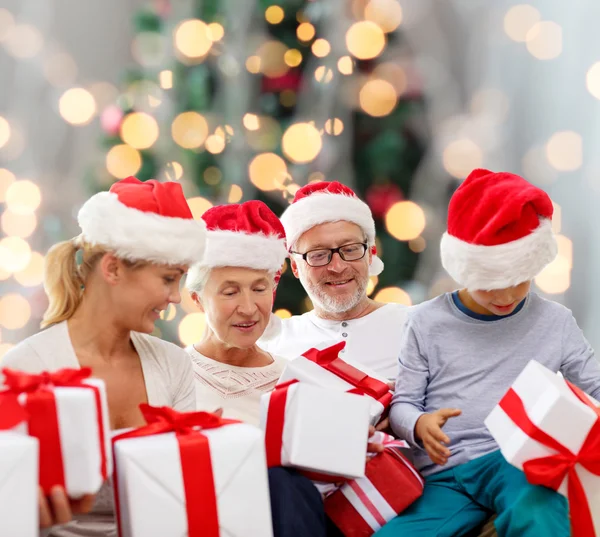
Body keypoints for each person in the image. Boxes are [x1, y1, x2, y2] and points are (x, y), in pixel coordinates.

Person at [376, 169, 600, 537]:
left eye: (519, 280)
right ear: (463, 268)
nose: (506, 296)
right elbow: (403, 404)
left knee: (539, 512)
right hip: (444, 475)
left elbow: (594, 389)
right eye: (489, 285)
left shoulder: (556, 322)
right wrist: (419, 424)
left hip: (517, 463)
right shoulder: (424, 322)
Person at [2, 177, 206, 536]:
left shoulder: (173, 365)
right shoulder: (24, 370)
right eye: (168, 278)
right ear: (112, 269)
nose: (176, 297)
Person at [185, 200, 385, 537]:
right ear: (197, 299)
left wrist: (347, 443)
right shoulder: (171, 373)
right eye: (230, 292)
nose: (248, 309)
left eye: (260, 289)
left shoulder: (296, 381)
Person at [259, 181, 408, 380]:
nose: (337, 267)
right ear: (295, 266)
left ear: (371, 254)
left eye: (350, 249)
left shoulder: (414, 327)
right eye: (318, 255)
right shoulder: (273, 344)